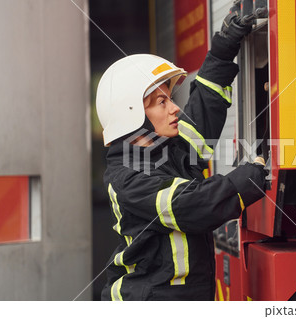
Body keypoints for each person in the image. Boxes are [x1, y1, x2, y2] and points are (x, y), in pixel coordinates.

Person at [95, 9, 267, 301]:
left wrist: (223, 51)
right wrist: (252, 175)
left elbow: (203, 112)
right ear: (132, 115)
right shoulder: (127, 178)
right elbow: (192, 204)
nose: (175, 109)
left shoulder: (165, 149)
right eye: (162, 102)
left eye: (170, 99)